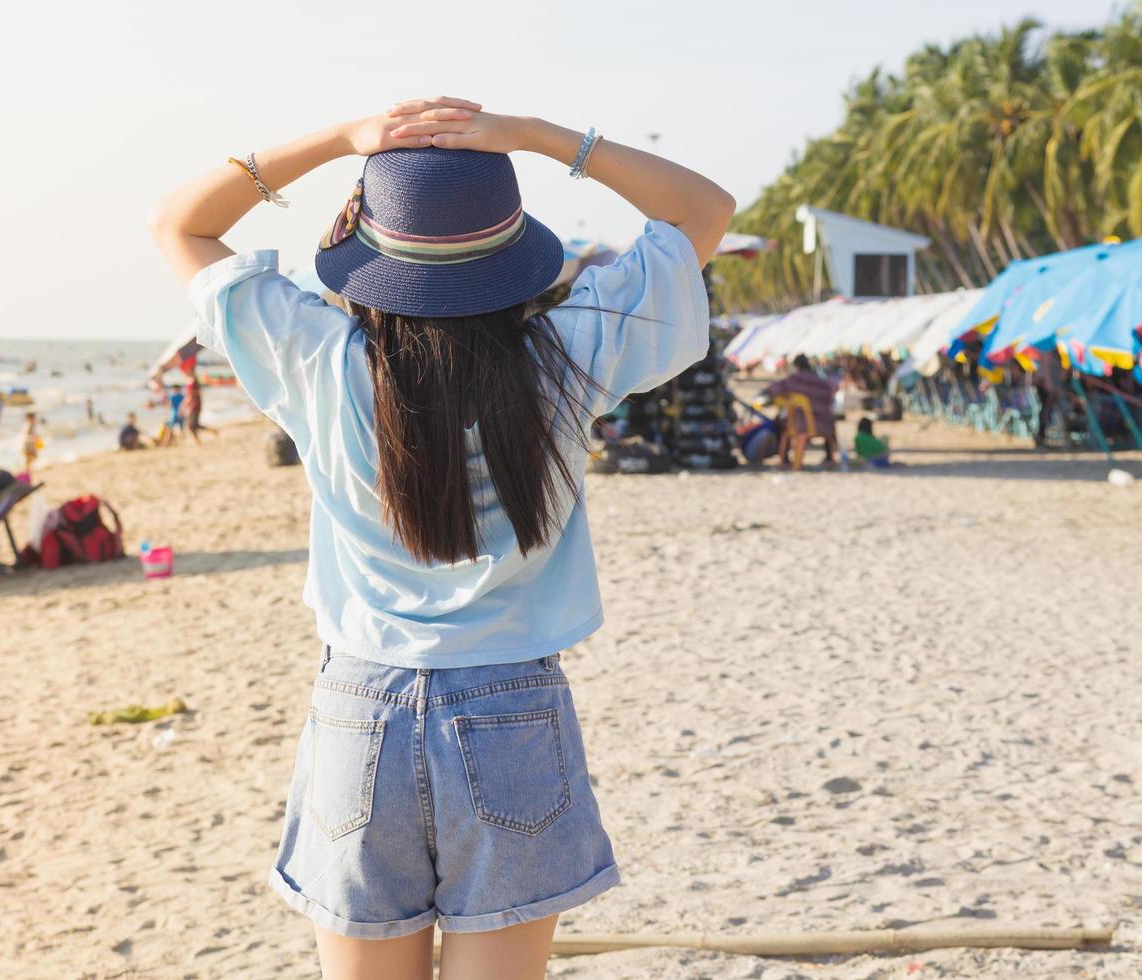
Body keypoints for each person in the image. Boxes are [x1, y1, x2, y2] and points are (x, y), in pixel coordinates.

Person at [149, 97, 734, 980]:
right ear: (511, 254)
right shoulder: (569, 358)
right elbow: (703, 208)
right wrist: (536, 137)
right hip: (512, 708)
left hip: (361, 707)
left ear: (371, 256)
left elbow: (178, 223)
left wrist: (343, 139)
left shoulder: (317, 359)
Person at [764, 354, 840, 466]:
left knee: (780, 423)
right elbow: (831, 399)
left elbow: (773, 389)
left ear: (796, 367)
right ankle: (829, 458)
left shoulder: (794, 380)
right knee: (831, 421)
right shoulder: (822, 382)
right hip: (824, 425)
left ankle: (784, 459)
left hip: (799, 425)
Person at [180, 368, 216, 442]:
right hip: (193, 405)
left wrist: (183, 405)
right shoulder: (190, 382)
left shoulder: (193, 382)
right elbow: (190, 395)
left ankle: (199, 440)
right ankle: (211, 432)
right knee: (193, 425)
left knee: (192, 425)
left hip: (195, 405)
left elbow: (191, 395)